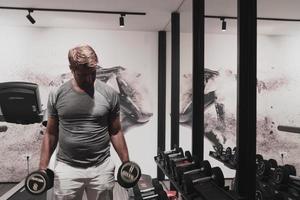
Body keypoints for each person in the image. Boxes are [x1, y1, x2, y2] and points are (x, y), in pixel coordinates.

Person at [39, 44, 129, 200]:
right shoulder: (57, 94)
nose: (89, 79)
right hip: (67, 168)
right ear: (72, 70)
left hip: (101, 168)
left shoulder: (109, 94)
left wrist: (126, 163)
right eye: (83, 74)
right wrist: (42, 168)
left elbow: (115, 131)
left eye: (92, 73)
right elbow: (51, 133)